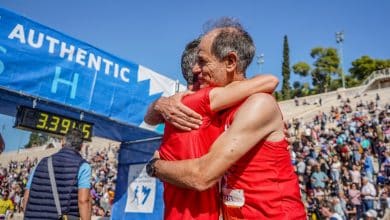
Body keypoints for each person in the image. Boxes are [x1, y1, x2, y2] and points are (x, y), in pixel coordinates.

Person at [147, 18, 306, 219]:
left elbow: (201, 176)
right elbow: (152, 116)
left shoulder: (258, 104)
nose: (197, 69)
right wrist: (161, 104)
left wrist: (155, 166)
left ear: (230, 62)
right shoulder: (218, 107)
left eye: (203, 61)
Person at [23, 128, 91, 220]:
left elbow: (27, 195)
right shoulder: (83, 166)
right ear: (81, 146)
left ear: (62, 142)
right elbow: (83, 200)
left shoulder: (41, 162)